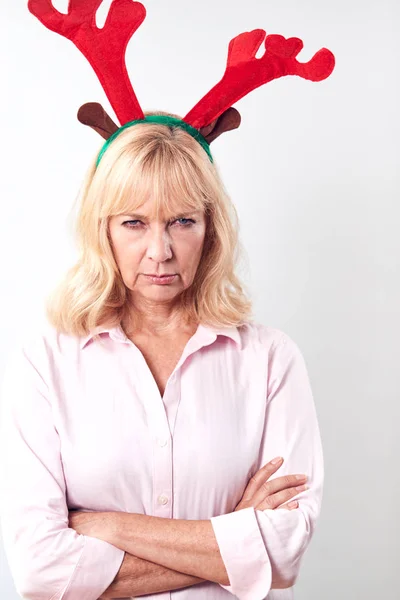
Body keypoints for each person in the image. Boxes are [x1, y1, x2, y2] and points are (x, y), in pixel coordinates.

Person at [0, 2, 333, 598]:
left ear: (212, 228)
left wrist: (101, 528)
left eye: (181, 221)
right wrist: (234, 539)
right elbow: (38, 571)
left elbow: (285, 551)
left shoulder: (269, 360)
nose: (160, 251)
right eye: (134, 223)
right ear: (102, 226)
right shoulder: (45, 360)